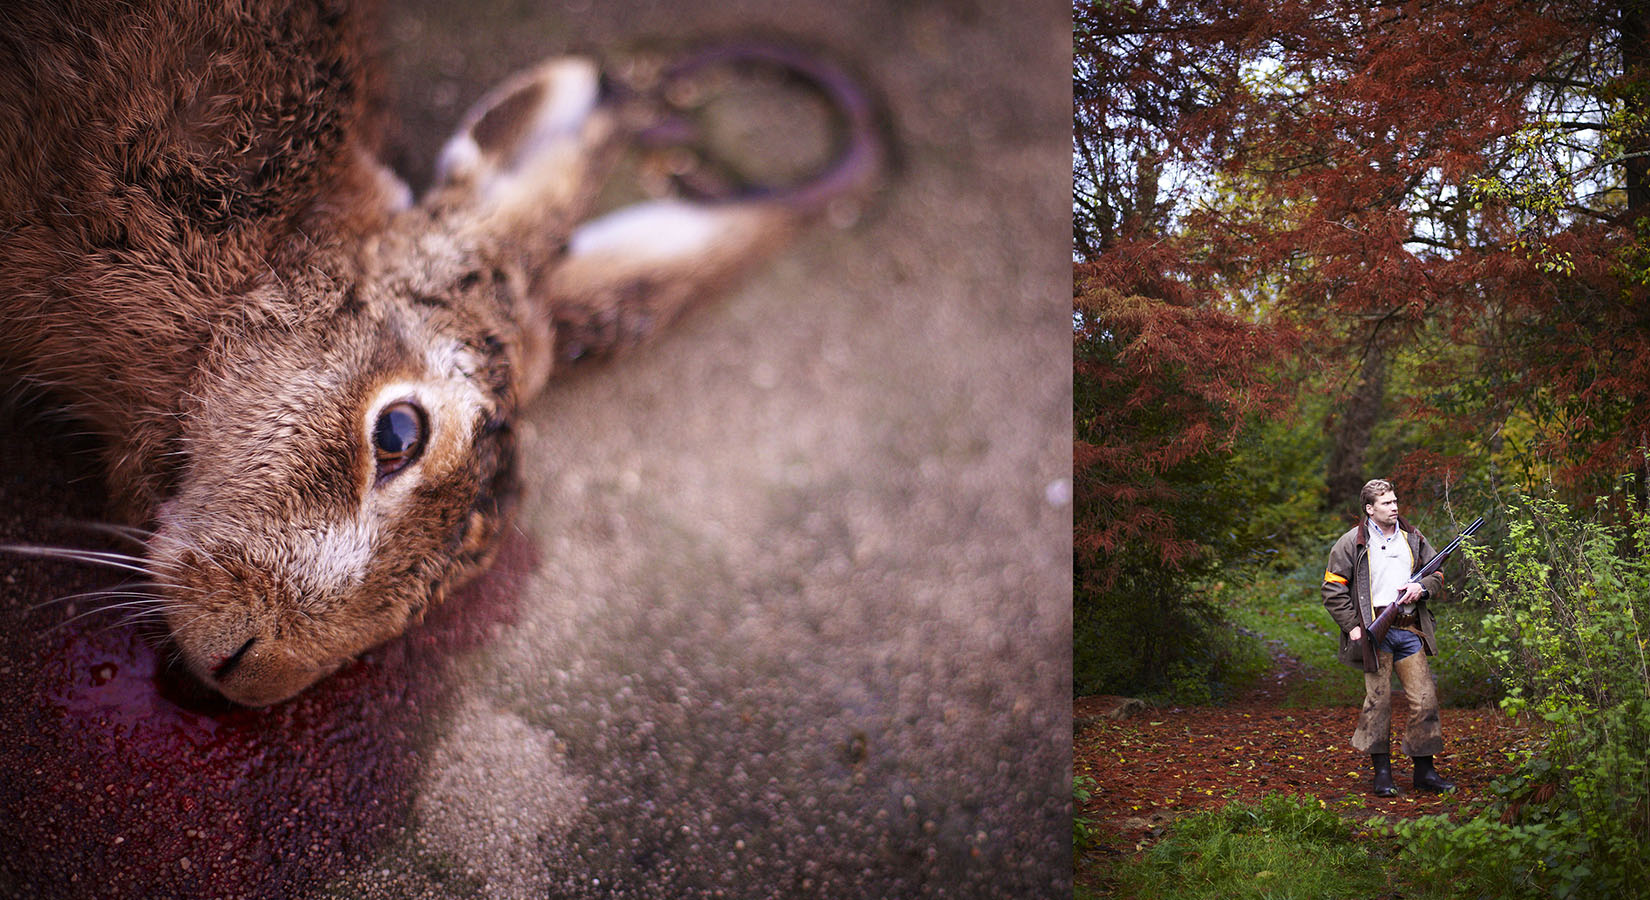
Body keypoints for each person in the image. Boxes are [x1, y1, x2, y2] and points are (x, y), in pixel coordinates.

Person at [1321, 479, 1456, 796]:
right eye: (1386, 503)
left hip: (1410, 630)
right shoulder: (1349, 543)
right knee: (1378, 704)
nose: (1394, 507)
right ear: (1369, 509)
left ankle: (1425, 772)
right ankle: (1382, 774)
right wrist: (1353, 627)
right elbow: (1332, 588)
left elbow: (1436, 573)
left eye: (1395, 501)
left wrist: (1421, 588)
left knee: (1425, 701)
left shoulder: (1413, 539)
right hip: (1374, 634)